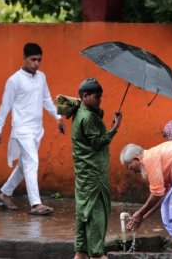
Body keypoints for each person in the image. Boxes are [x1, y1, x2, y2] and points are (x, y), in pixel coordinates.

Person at [0, 43, 65, 215]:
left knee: (24, 165)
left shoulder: (41, 77)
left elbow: (46, 99)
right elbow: (5, 106)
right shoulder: (14, 80)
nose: (36, 63)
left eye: (39, 60)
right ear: (24, 58)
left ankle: (5, 193)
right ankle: (36, 204)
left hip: (37, 129)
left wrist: (58, 117)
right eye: (33, 60)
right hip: (21, 129)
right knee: (32, 162)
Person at [71, 78, 122, 259]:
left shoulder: (80, 113)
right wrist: (114, 128)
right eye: (97, 97)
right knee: (96, 214)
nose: (100, 100)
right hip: (94, 173)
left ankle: (82, 251)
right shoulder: (88, 117)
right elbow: (98, 142)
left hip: (85, 172)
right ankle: (96, 253)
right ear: (85, 96)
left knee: (84, 212)